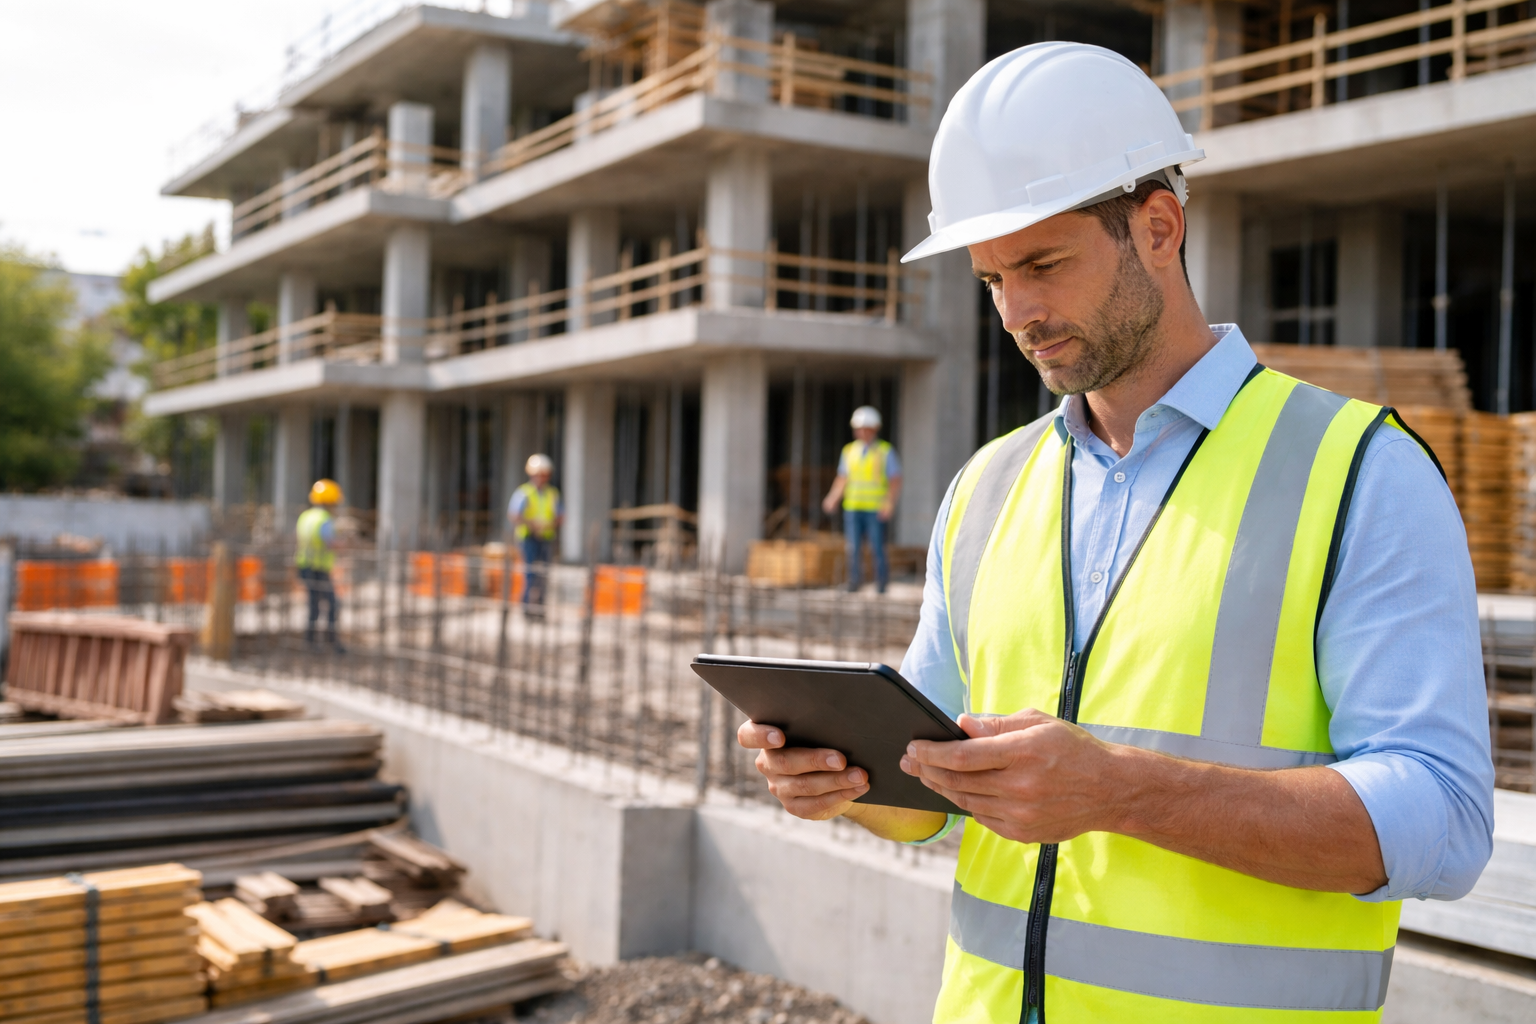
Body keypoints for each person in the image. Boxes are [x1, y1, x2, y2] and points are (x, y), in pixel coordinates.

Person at [740, 42, 1493, 1023]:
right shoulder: (989, 487)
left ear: (1159, 227)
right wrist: (845, 782)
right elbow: (929, 800)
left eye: (1044, 263)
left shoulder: (1357, 472)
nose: (1018, 311)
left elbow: (1443, 824)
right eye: (991, 278)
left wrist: (1123, 793)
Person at [822, 406, 902, 593]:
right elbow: (842, 478)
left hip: (875, 508)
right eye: (859, 428)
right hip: (853, 507)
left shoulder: (884, 451)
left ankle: (881, 584)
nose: (861, 432)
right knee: (853, 547)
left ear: (874, 429)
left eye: (865, 428)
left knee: (877, 548)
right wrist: (833, 498)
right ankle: (854, 582)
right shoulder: (849, 451)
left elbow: (895, 480)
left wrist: (889, 503)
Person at [508, 454, 562, 615]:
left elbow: (560, 516)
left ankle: (540, 608)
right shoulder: (524, 493)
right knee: (530, 573)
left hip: (545, 538)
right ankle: (526, 609)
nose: (541, 478)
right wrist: (532, 525)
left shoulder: (552, 493)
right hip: (528, 539)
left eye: (544, 474)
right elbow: (514, 515)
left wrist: (549, 525)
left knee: (543, 575)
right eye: (538, 474)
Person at [295, 478, 345, 653]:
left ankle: (310, 641)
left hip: (304, 566)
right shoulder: (325, 519)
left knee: (314, 605)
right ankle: (330, 641)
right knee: (332, 604)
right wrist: (346, 542)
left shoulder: (305, 516)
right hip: (319, 569)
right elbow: (330, 543)